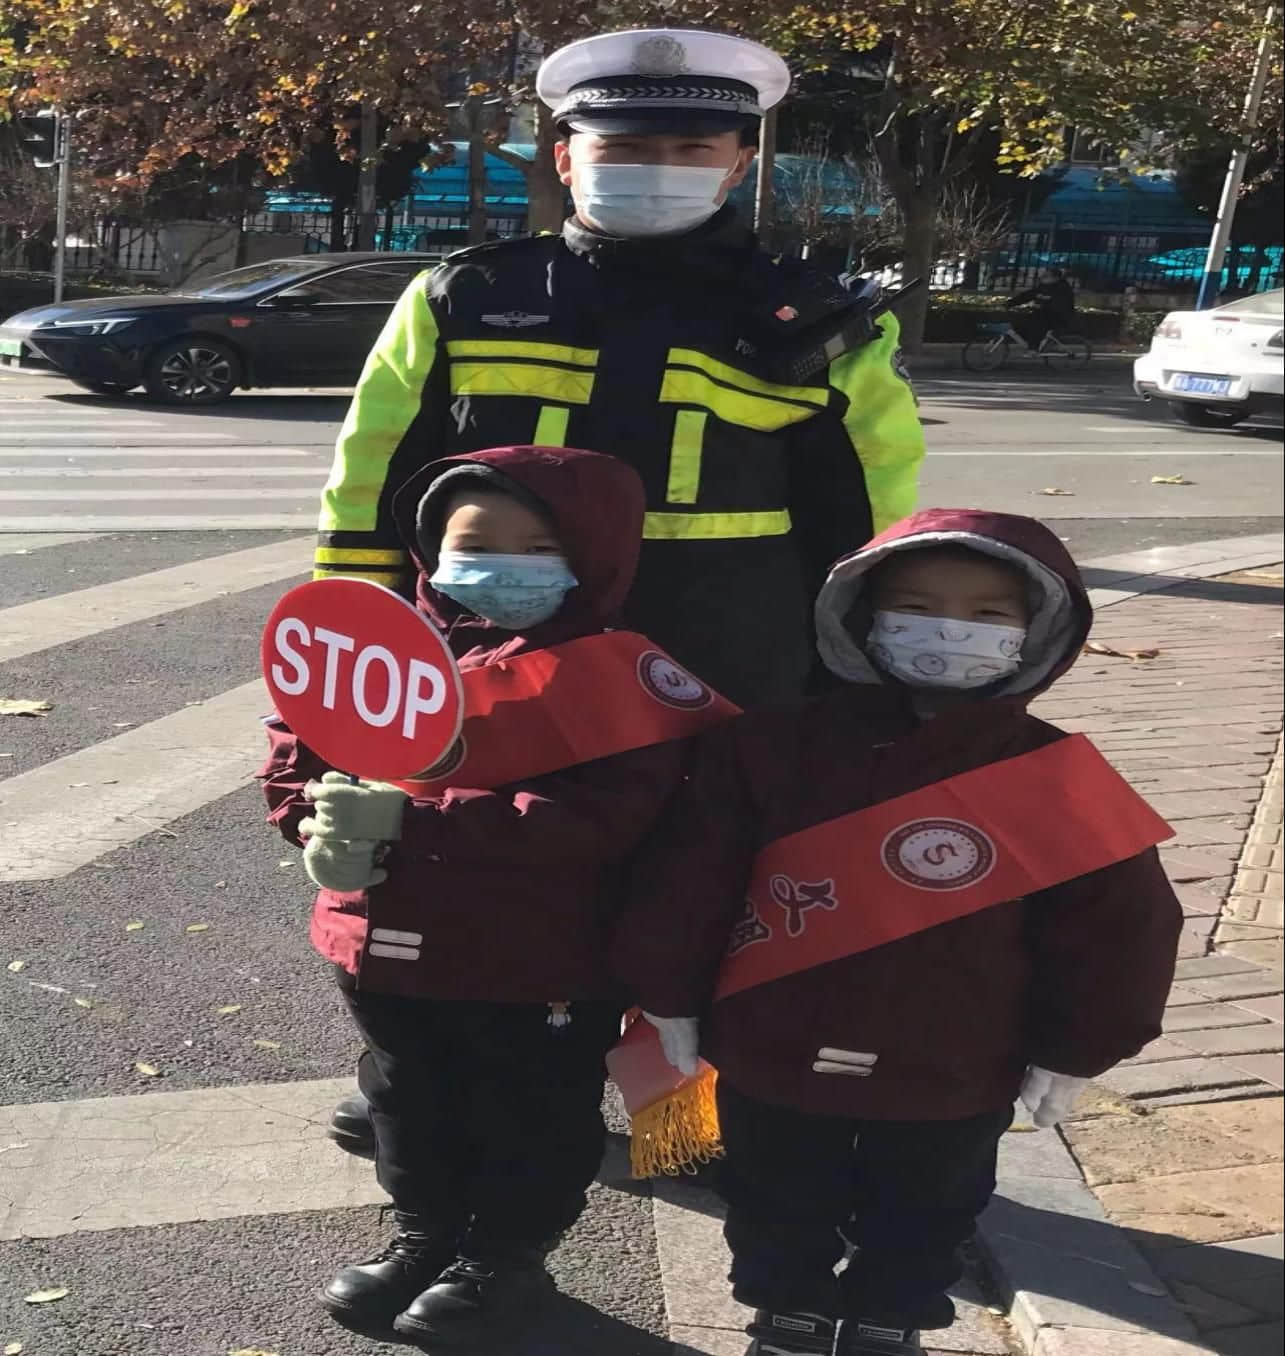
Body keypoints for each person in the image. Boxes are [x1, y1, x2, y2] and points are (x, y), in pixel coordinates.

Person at [317, 24, 925, 1159]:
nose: (658, 164)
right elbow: (372, 476)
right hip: (495, 649)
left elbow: (872, 510)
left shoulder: (819, 321)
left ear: (740, 161)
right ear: (563, 155)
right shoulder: (464, 295)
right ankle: (413, 1063)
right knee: (459, 863)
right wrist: (359, 644)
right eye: (624, 142)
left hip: (723, 659)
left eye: (693, 145)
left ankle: (669, 1119)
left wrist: (859, 674)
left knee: (691, 895)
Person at [614, 508, 1182, 1356]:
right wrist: (669, 991)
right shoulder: (769, 746)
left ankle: (890, 1323)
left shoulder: (1055, 775)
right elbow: (691, 874)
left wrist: (1080, 1044)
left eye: (988, 614)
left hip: (953, 1064)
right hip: (774, 1043)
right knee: (774, 1196)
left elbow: (1118, 929)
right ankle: (787, 1315)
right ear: (860, 616)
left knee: (926, 1208)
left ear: (1038, 633)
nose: (948, 628)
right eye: (915, 604)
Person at [260, 445, 735, 1346]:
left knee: (533, 1115)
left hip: (542, 962)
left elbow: (594, 824)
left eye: (535, 545)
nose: (500, 565)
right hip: (382, 946)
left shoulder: (619, 677)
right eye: (474, 540)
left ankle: (504, 1259)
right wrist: (312, 816)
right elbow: (300, 745)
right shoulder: (378, 650)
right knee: (409, 1101)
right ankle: (423, 1237)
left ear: (593, 554)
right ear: (430, 544)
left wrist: (412, 826)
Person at [1010, 268, 1076, 349]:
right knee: (1021, 323)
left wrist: (1043, 306)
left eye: (1047, 276)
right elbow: (1028, 295)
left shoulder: (1063, 289)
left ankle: (1033, 349)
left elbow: (1061, 305)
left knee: (1036, 325)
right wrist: (1010, 303)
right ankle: (1032, 344)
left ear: (1056, 278)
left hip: (1059, 317)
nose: (1043, 277)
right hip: (1044, 314)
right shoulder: (1043, 287)